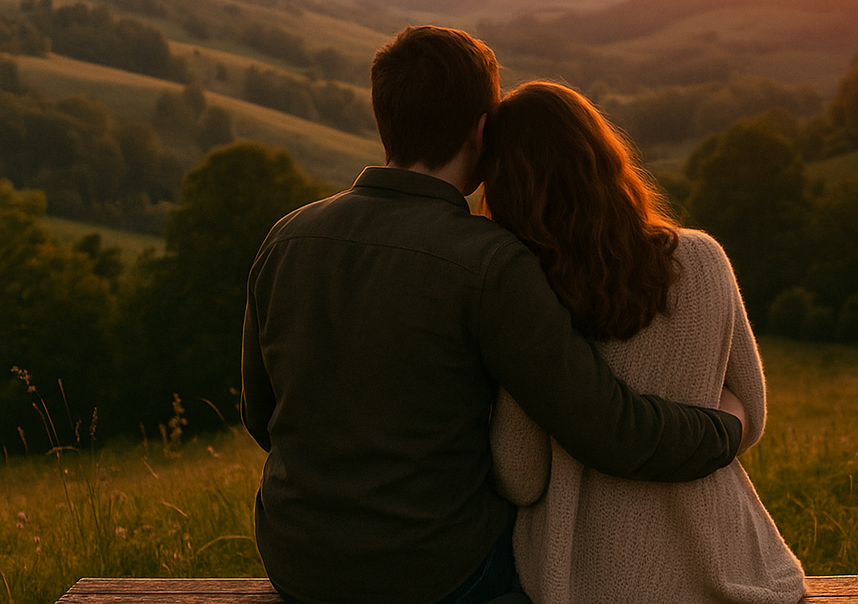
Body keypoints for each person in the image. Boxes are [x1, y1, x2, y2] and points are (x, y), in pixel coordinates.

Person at [240, 26, 748, 604]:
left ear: (386, 120)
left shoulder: (286, 239)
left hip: (296, 562)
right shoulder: (490, 263)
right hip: (439, 575)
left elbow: (261, 416)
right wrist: (726, 426)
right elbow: (610, 432)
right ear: (483, 130)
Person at [484, 81, 806, 604]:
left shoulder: (533, 295)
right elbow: (752, 417)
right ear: (603, 157)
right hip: (728, 569)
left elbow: (520, 475)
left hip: (589, 582)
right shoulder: (703, 260)